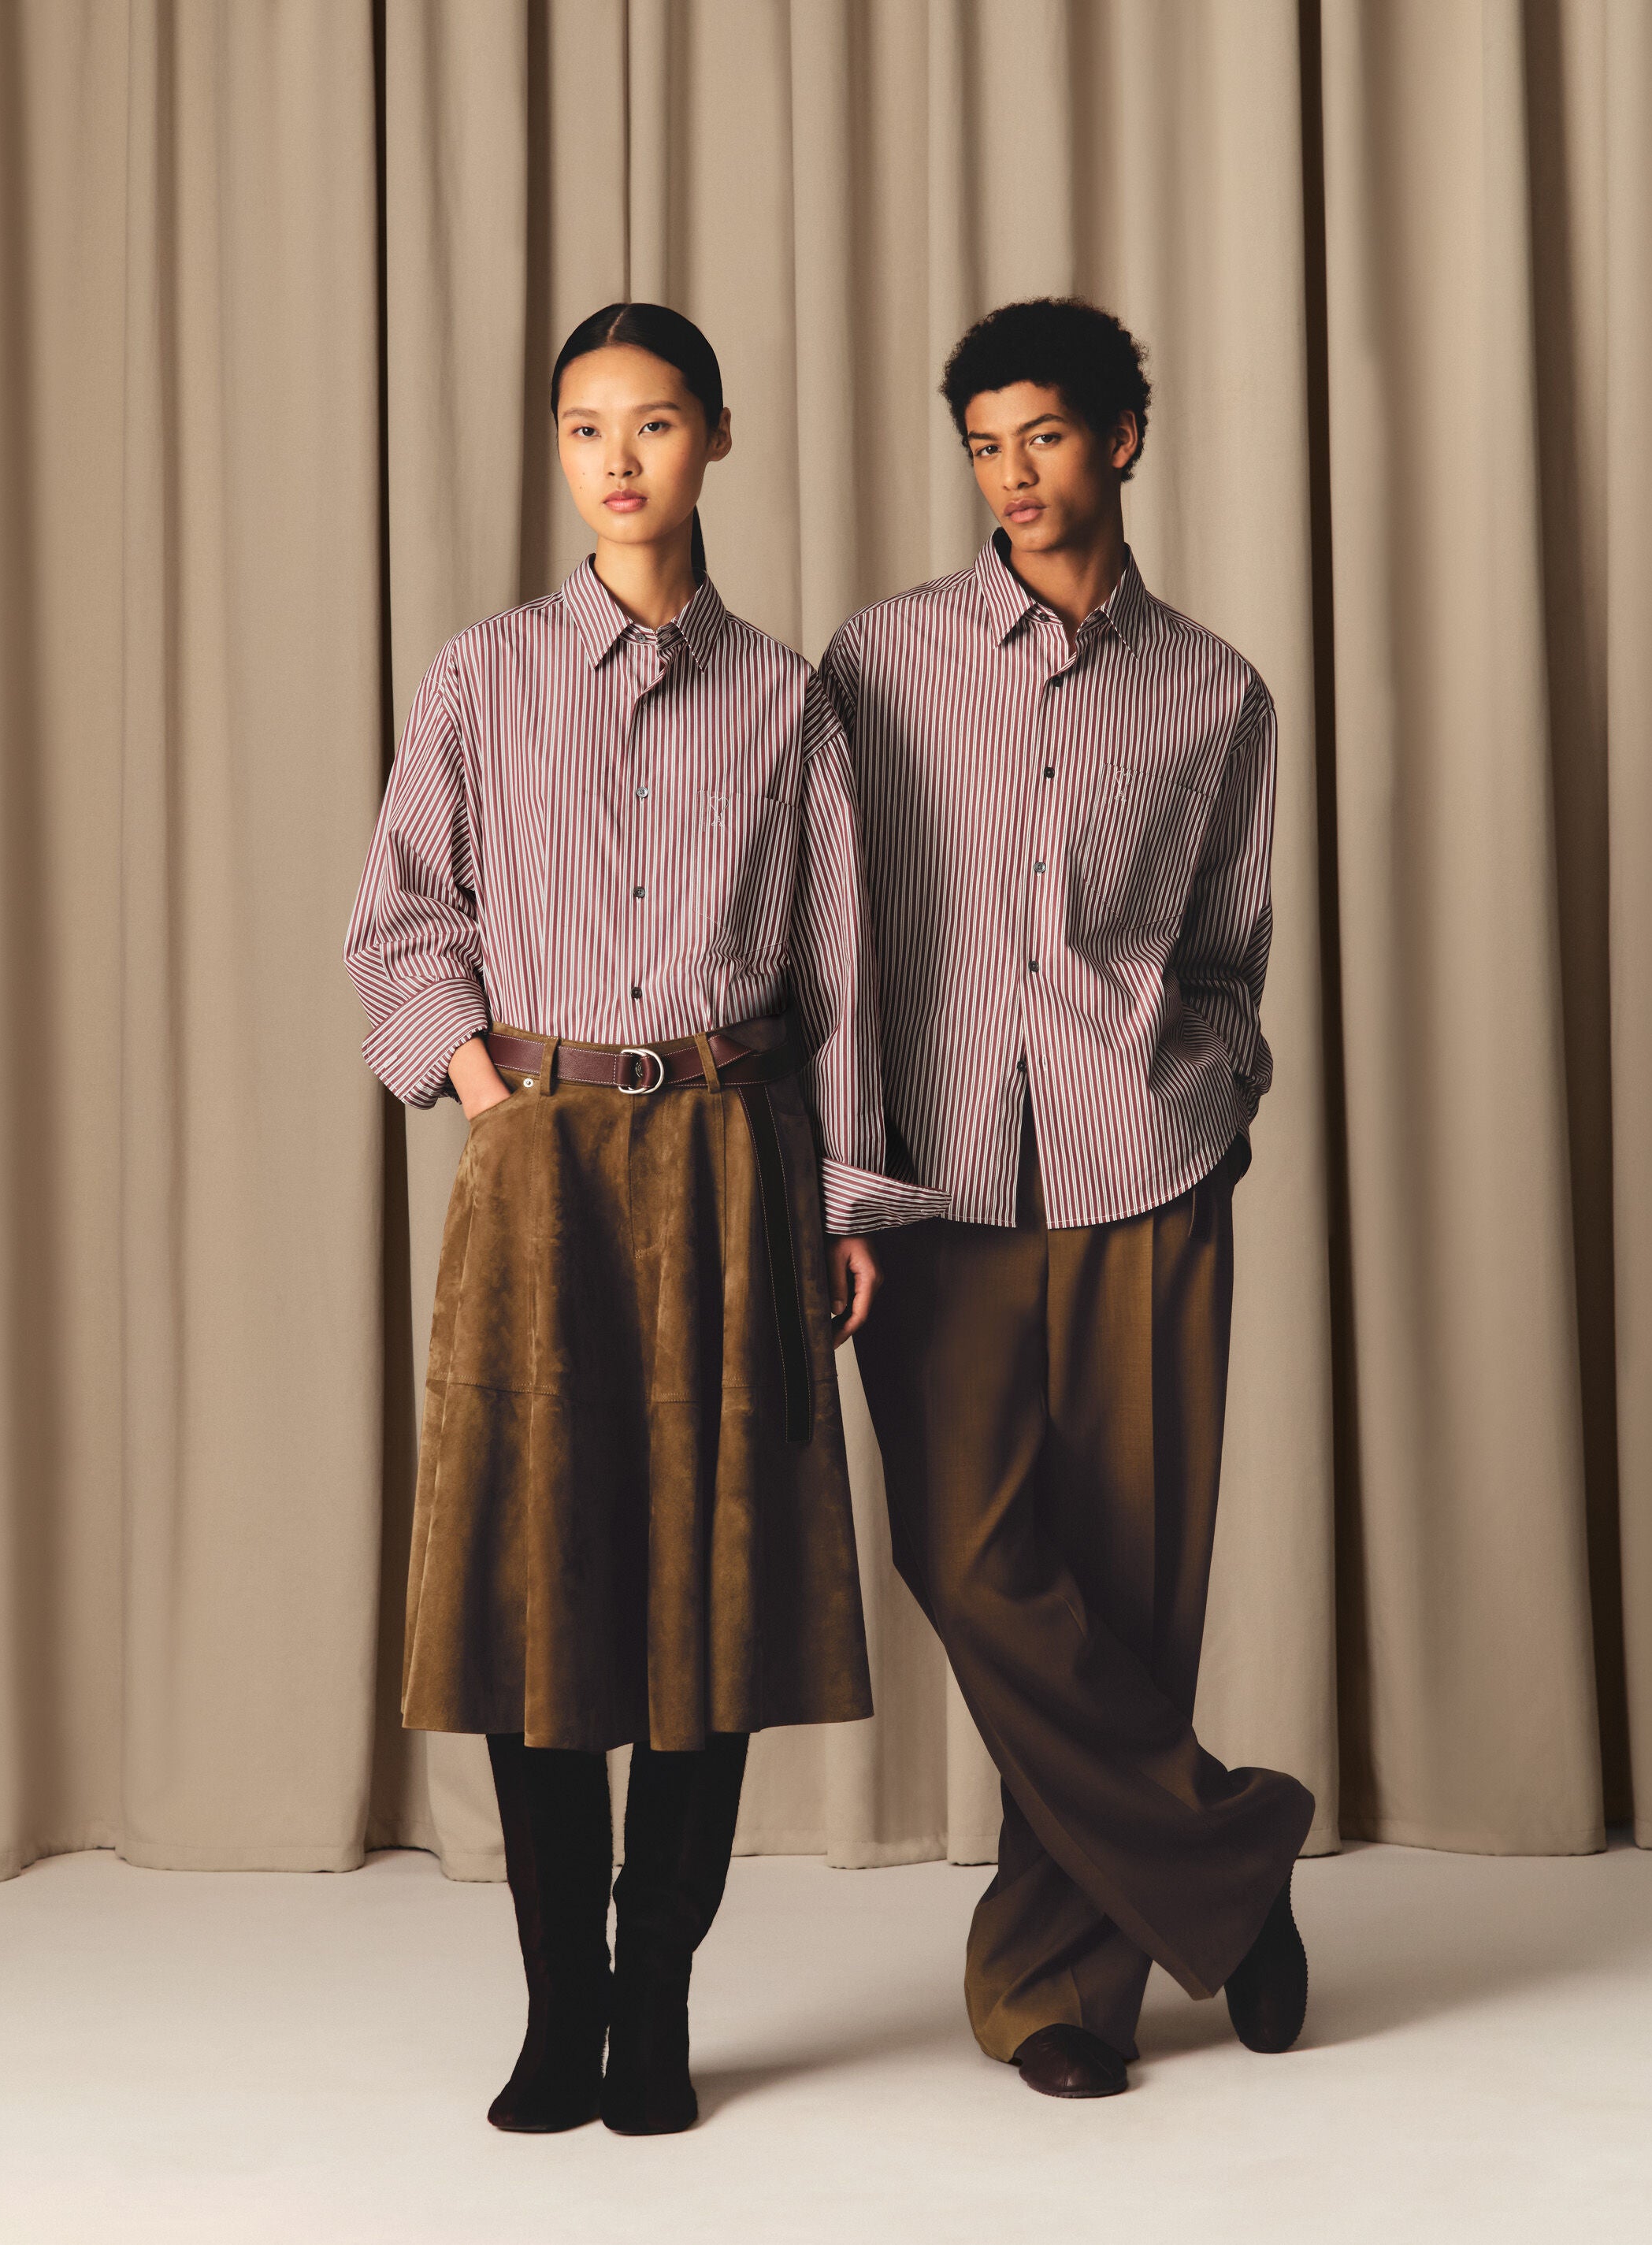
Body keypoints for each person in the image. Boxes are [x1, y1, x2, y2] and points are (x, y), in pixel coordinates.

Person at [347, 302, 941, 2138]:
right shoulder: (479, 677)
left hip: (735, 1163)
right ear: (558, 450)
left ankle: (659, 2004)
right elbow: (400, 923)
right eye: (586, 426)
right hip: (537, 1164)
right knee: (536, 1590)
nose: (619, 459)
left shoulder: (790, 698)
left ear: (718, 440)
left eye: (657, 421)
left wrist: (842, 1201)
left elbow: (846, 974)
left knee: (716, 1589)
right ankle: (560, 2012)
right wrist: (489, 1098)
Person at [822, 296, 1314, 2101]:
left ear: (1122, 438)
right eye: (983, 445)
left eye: (1041, 436)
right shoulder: (878, 662)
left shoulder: (1216, 693)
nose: (1012, 476)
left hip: (1143, 1175)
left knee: (1128, 1579)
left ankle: (1060, 1995)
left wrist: (1209, 1096)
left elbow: (1229, 957)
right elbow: (827, 936)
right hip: (935, 1181)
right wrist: (837, 1172)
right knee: (973, 1564)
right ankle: (1230, 1862)